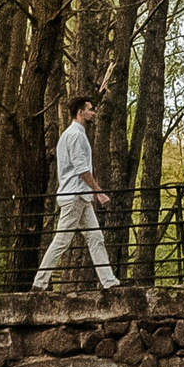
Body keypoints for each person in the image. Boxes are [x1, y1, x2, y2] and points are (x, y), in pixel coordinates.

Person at [34, 93, 122, 291]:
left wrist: (90, 195)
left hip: (80, 197)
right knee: (62, 241)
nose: (93, 112)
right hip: (74, 196)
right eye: (90, 109)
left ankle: (108, 281)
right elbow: (82, 169)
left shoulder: (75, 134)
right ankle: (39, 283)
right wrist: (99, 193)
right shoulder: (75, 135)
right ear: (81, 112)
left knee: (95, 238)